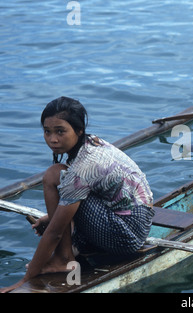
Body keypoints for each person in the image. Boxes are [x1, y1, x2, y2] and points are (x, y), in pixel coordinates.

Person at [1, 97, 154, 293]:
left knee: (53, 175)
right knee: (59, 180)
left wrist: (23, 281)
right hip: (136, 219)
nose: (52, 139)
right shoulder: (91, 142)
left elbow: (55, 232)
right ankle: (65, 254)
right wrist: (51, 216)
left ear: (79, 130)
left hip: (127, 235)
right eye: (47, 132)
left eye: (60, 131)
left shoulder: (83, 167)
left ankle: (64, 258)